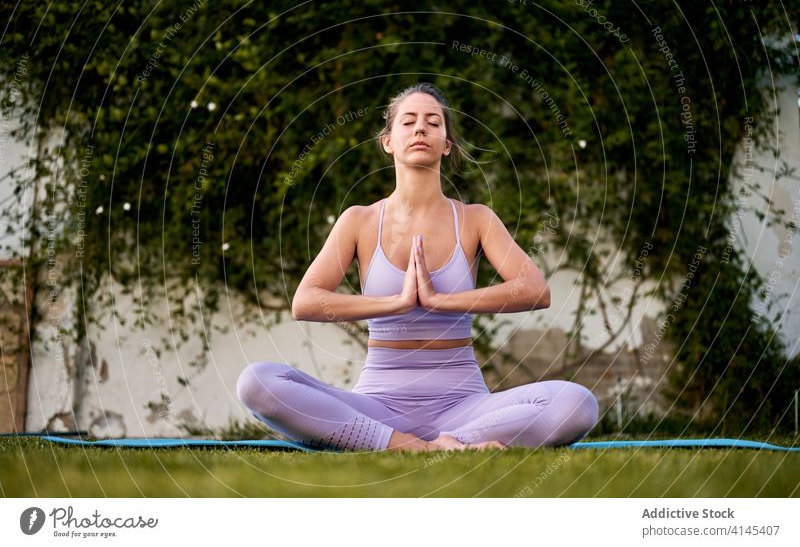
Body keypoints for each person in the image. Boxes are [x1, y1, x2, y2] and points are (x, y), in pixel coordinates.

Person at [236, 83, 599, 452]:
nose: (420, 129)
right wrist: (397, 302)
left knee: (577, 404)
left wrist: (441, 301)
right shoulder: (359, 221)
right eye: (408, 122)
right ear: (388, 141)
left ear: (447, 145)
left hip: (465, 407)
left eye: (433, 122)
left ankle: (453, 441)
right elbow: (306, 302)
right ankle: (405, 444)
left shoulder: (476, 219)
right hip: (378, 407)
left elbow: (535, 290)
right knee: (257, 382)